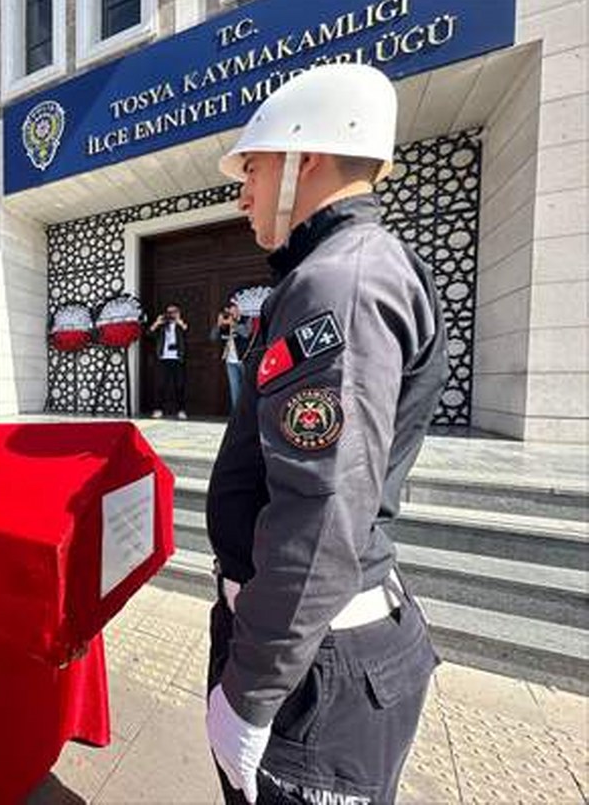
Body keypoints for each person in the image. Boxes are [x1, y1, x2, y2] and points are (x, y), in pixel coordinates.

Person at [204, 63, 448, 805]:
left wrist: (250, 693)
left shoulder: (337, 283)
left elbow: (320, 512)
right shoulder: (349, 268)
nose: (242, 191)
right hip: (318, 653)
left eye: (251, 166)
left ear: (303, 157)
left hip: (312, 675)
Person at [148, 303, 189, 419]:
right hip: (163, 358)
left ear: (178, 312)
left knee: (179, 385)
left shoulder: (180, 325)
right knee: (160, 385)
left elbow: (188, 333)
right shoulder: (162, 325)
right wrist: (157, 323)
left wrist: (179, 322)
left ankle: (181, 410)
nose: (171, 314)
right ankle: (158, 409)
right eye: (169, 312)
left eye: (174, 311)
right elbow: (149, 334)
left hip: (177, 358)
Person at [210, 301, 250, 415]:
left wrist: (233, 324)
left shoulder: (246, 319)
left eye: (233, 310)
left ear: (237, 309)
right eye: (228, 312)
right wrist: (218, 325)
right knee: (235, 390)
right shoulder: (224, 324)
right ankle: (237, 416)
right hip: (230, 361)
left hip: (244, 359)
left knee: (247, 389)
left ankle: (248, 415)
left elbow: (247, 333)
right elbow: (213, 338)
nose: (230, 313)